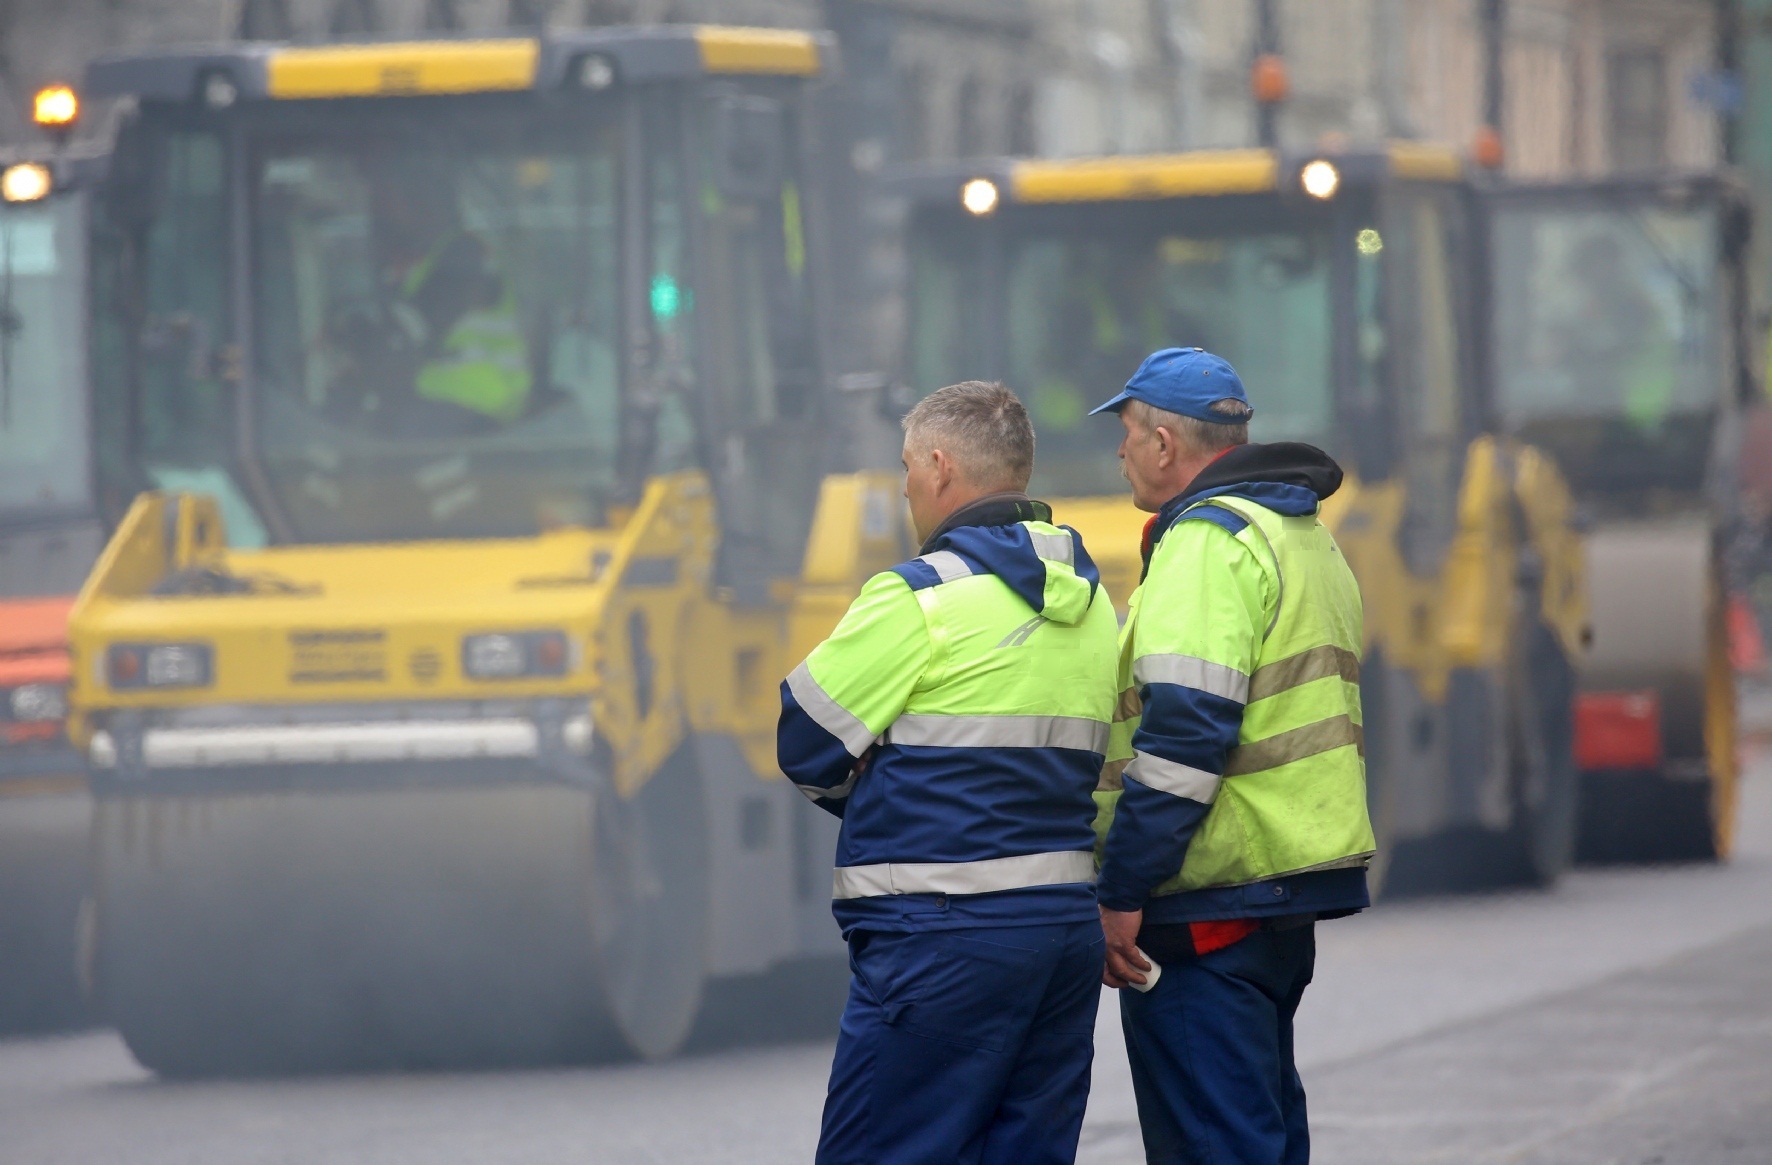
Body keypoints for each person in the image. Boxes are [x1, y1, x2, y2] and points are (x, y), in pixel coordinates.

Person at [777, 381, 1119, 1165]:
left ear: (938, 466)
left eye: (905, 466)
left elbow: (804, 737)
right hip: (1060, 933)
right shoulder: (1098, 607)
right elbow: (1107, 767)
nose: (901, 487)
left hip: (941, 933)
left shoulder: (918, 599)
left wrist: (879, 777)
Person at [1089, 348, 1376, 1165]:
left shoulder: (1206, 546)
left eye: (1128, 431)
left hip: (1207, 896)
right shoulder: (1301, 537)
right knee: (1263, 1135)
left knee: (1212, 1145)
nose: (1120, 451)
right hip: (1280, 890)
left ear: (1166, 444)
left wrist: (1123, 887)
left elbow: (1185, 737)